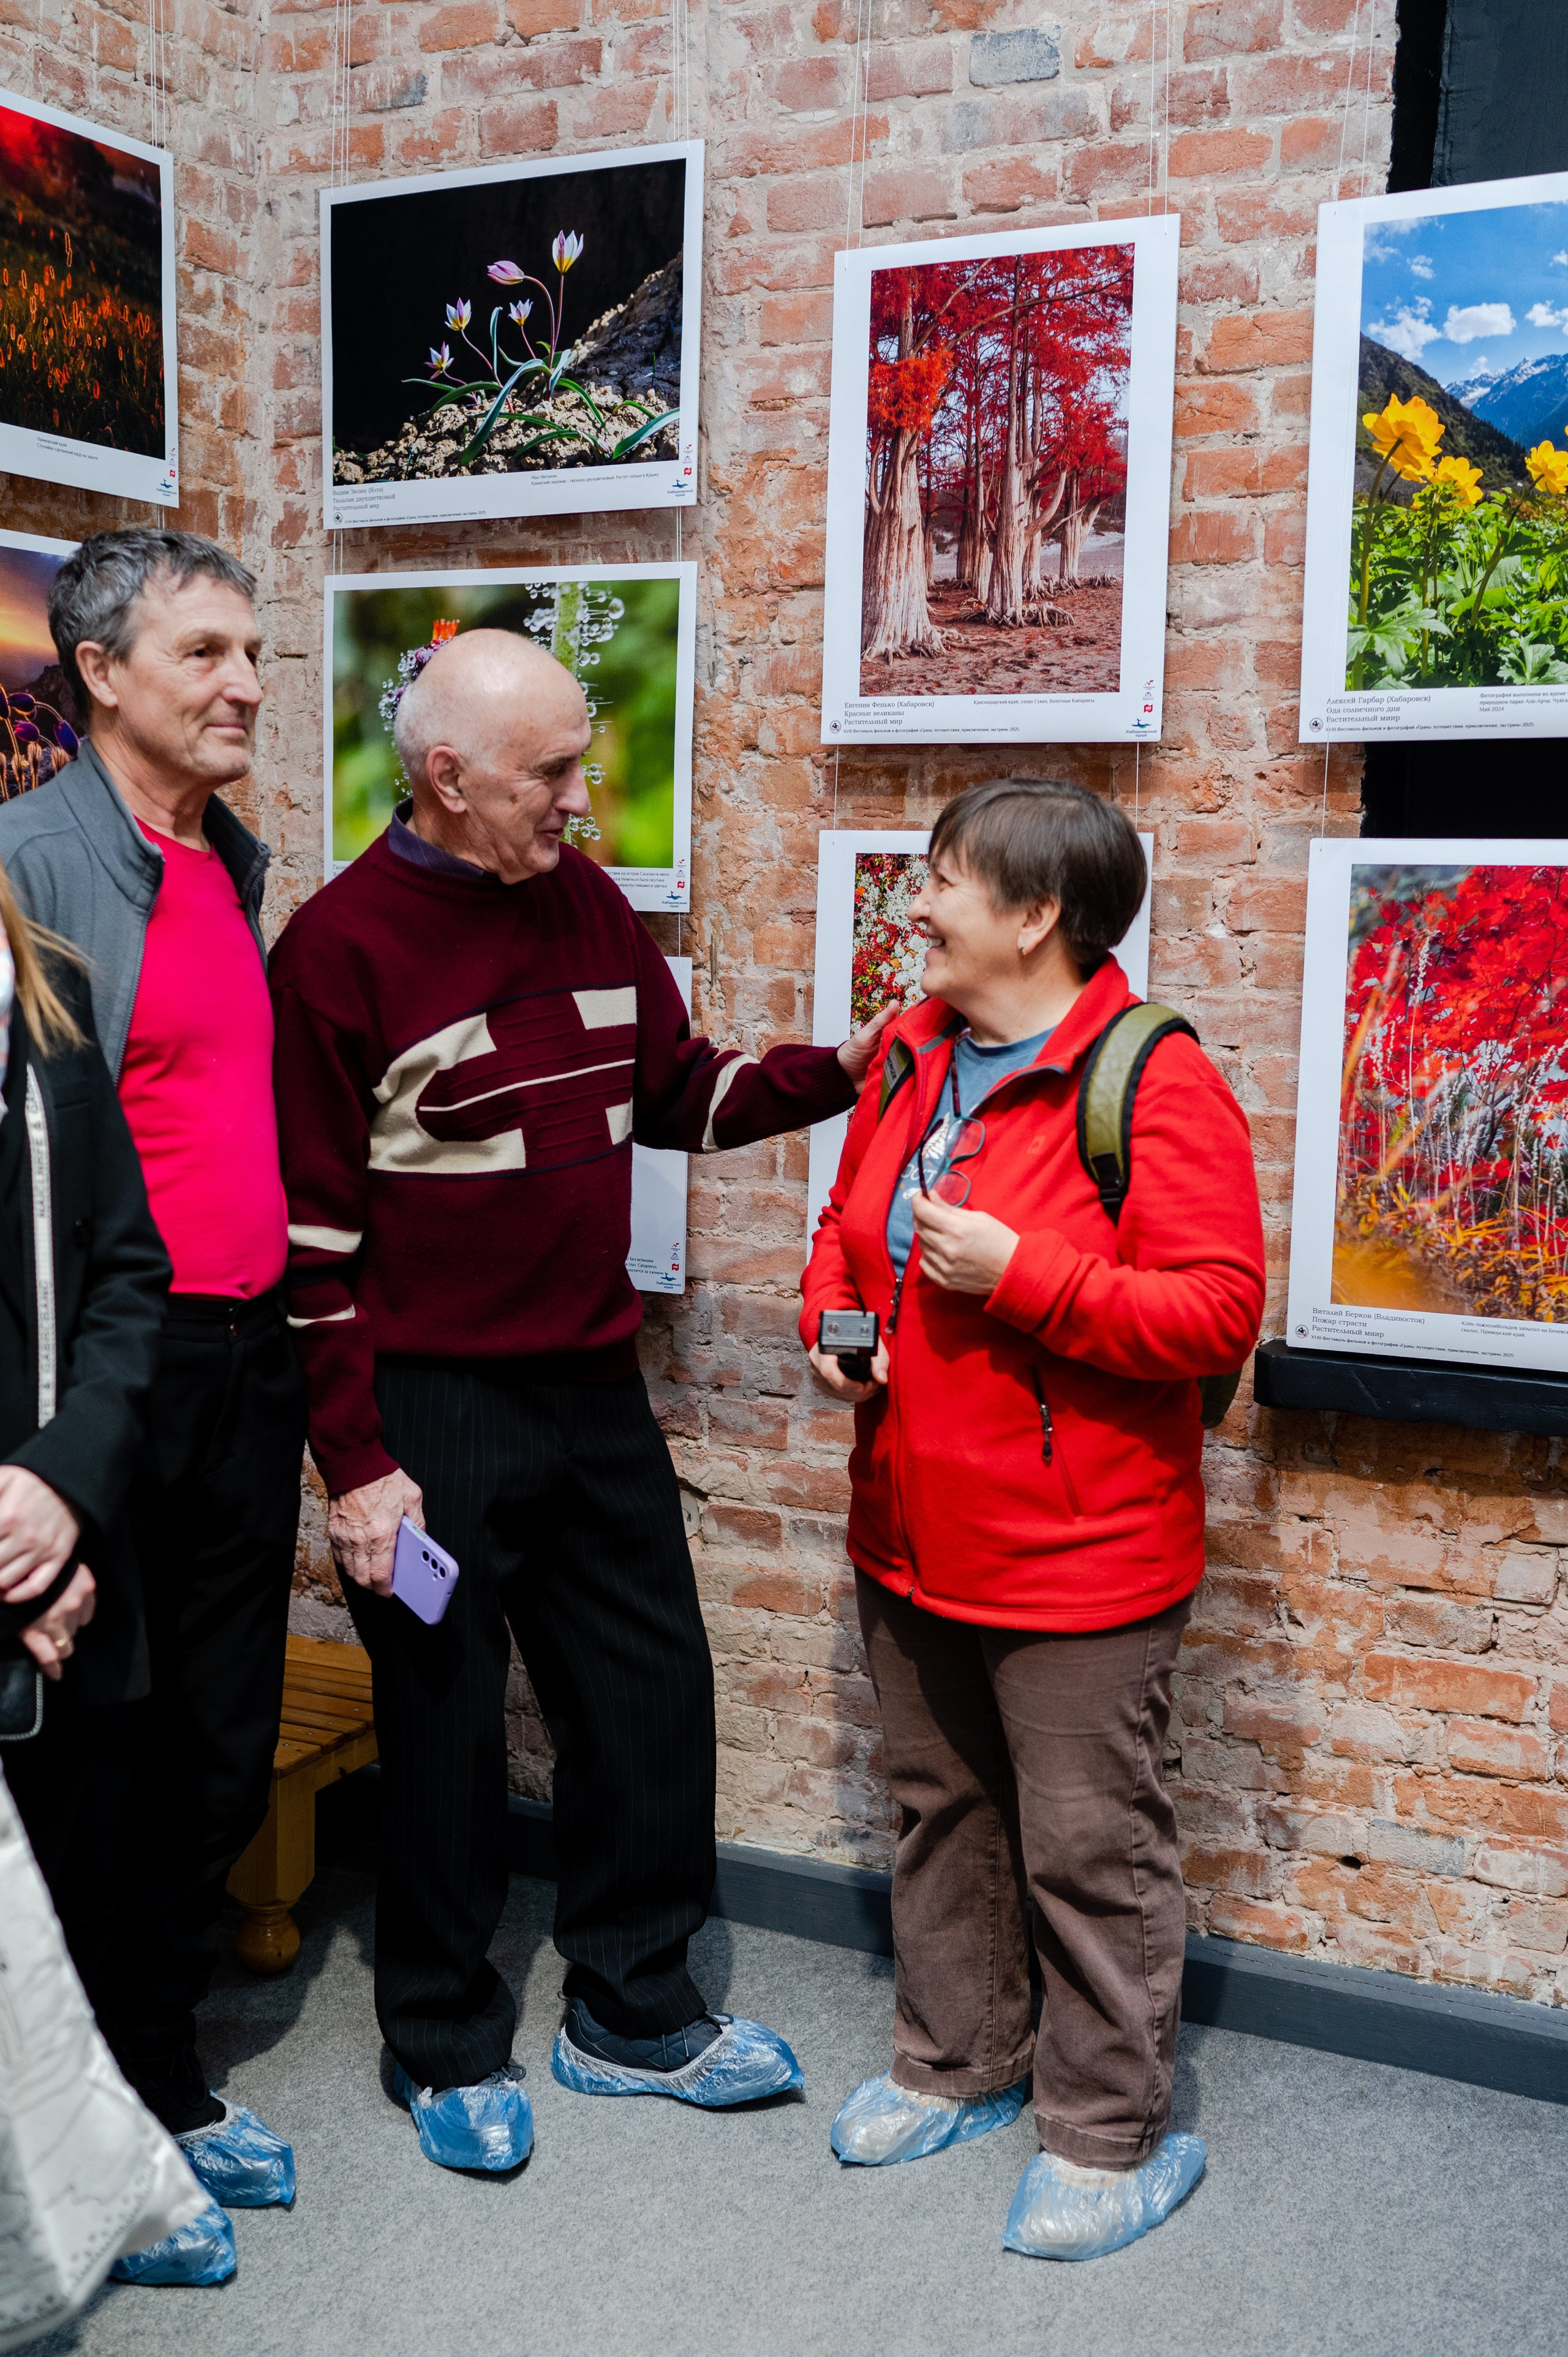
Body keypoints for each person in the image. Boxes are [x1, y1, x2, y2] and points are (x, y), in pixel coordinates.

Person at [269, 625, 894, 2173]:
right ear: (444, 776)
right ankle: (440, 2039)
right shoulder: (339, 952)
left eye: (579, 761)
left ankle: (631, 2008)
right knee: (443, 1735)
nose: (582, 796)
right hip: (425, 1410)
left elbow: (672, 1091)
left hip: (589, 1382)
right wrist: (355, 1466)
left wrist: (845, 1065)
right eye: (550, 770)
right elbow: (307, 1250)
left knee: (647, 1693)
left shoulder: (588, 903)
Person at [801, 780, 1265, 2261]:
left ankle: (1106, 2133)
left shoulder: (1152, 1079)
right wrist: (832, 1312)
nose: (913, 904)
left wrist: (1021, 1275)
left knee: (1087, 1847)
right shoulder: (908, 1054)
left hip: (1081, 1556)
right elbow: (844, 1219)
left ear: (1035, 914)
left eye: (940, 879)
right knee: (942, 1810)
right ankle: (957, 2059)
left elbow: (1214, 1312)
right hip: (909, 1528)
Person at [0, 530, 303, 2250]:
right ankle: (95, 2113)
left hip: (244, 1358)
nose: (244, 683)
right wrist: (46, 1455)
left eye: (250, 652)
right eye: (205, 653)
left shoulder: (225, 855)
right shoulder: (26, 867)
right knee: (94, 1753)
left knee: (219, 1728)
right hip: (106, 1372)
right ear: (101, 672)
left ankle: (167, 2071)